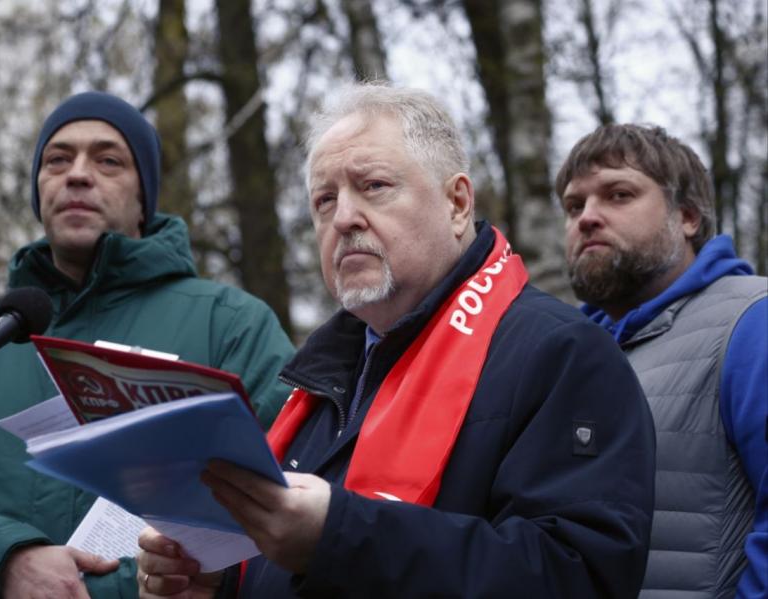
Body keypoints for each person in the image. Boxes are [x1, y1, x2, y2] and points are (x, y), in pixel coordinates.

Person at [136, 83, 656, 598]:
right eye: (325, 200)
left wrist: (340, 536)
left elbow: (578, 577)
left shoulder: (563, 353)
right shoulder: (320, 380)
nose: (343, 218)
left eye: (374, 186)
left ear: (457, 204)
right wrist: (217, 583)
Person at [0, 92, 295, 598]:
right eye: (57, 159)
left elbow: (289, 490)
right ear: (38, 190)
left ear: (145, 197)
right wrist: (8, 561)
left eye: (108, 160)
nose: (77, 174)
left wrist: (108, 589)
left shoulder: (231, 325)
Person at [556, 123, 767, 598]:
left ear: (687, 216)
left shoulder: (753, 320)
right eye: (574, 205)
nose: (587, 218)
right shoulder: (565, 355)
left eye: (619, 195)